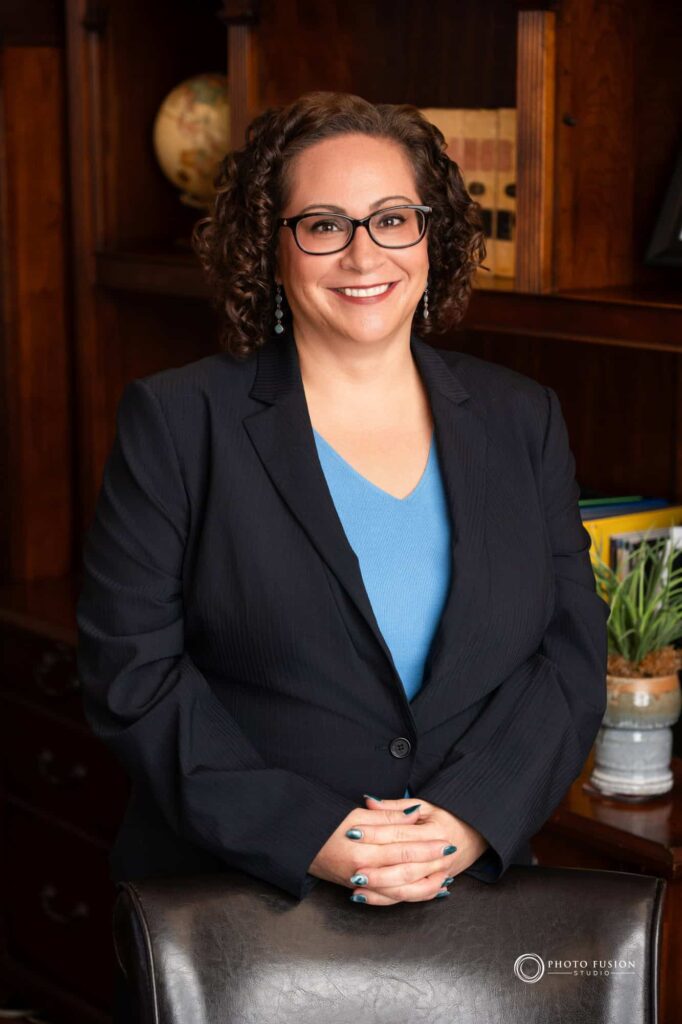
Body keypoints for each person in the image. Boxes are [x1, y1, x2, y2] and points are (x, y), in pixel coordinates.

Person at [76, 90, 609, 1017]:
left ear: (431, 236)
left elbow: (570, 653)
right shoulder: (179, 422)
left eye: (393, 219)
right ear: (267, 245)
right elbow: (134, 675)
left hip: (469, 920)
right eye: (324, 224)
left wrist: (471, 821)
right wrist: (309, 833)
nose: (365, 254)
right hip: (242, 915)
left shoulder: (524, 419)